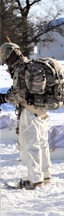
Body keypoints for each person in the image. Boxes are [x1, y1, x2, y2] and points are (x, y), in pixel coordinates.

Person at [0, 43, 51, 189]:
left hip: (29, 111)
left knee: (30, 145)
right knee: (42, 144)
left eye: (6, 60)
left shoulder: (21, 69)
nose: (6, 65)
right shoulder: (30, 66)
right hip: (41, 110)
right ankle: (45, 176)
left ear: (9, 56)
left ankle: (34, 181)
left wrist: (3, 98)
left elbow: (18, 95)